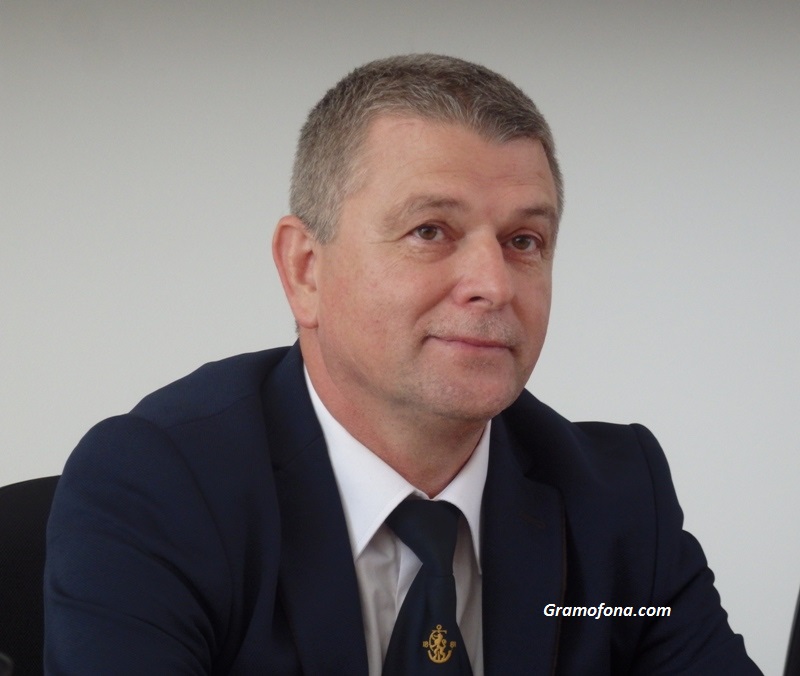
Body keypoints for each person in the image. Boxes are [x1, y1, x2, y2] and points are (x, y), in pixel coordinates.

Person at [44, 54, 761, 674]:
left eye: (524, 241)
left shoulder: (617, 500)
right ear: (305, 269)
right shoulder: (158, 487)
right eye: (430, 231)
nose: (494, 284)